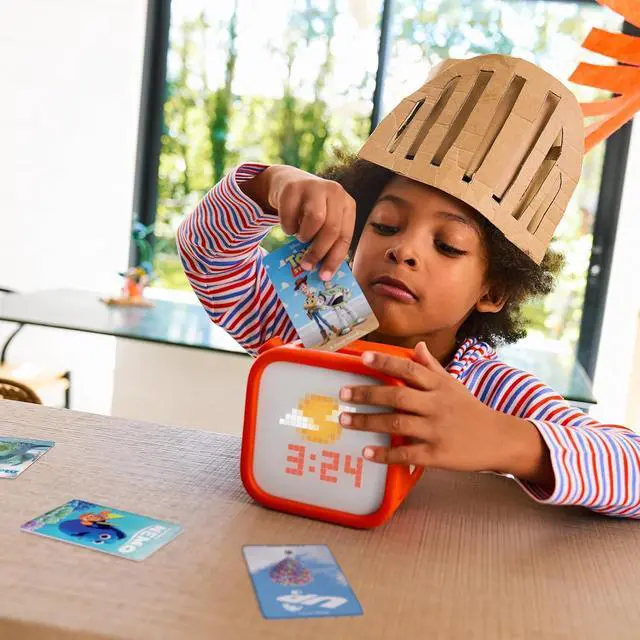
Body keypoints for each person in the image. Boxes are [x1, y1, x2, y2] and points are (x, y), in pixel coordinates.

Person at [177, 54, 640, 518]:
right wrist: (270, 185)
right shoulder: (314, 319)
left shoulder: (484, 388)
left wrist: (506, 440)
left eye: (448, 245)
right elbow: (208, 258)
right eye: (385, 225)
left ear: (493, 291)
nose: (404, 250)